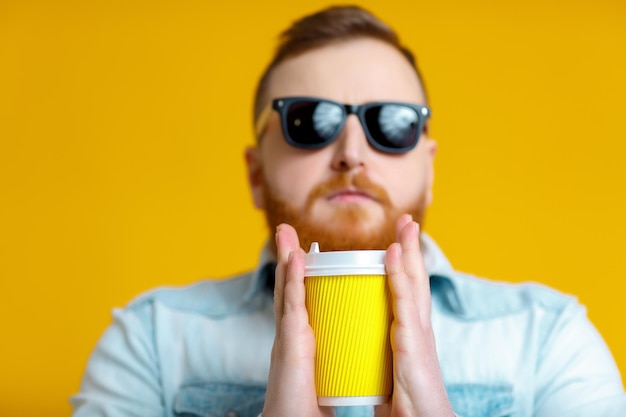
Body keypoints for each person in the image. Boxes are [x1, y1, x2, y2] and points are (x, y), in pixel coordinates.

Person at [71, 5, 626, 417]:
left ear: (429, 169)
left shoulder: (548, 339)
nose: (352, 155)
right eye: (310, 121)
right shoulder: (153, 340)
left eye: (392, 124)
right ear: (256, 174)